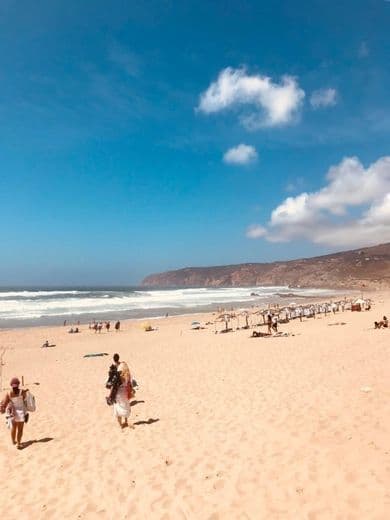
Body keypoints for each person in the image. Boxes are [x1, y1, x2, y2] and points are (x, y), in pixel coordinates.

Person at [0, 377, 29, 449]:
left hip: (13, 413)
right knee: (20, 429)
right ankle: (18, 443)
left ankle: (13, 441)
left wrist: (2, 409)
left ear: (11, 385)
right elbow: (25, 401)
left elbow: (5, 403)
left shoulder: (9, 393)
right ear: (18, 384)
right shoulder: (22, 392)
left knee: (14, 428)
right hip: (21, 412)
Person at [112, 353, 133, 429]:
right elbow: (129, 380)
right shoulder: (124, 367)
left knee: (118, 407)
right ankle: (126, 421)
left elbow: (112, 383)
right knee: (126, 405)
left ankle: (120, 425)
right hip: (124, 391)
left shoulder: (115, 370)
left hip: (118, 392)